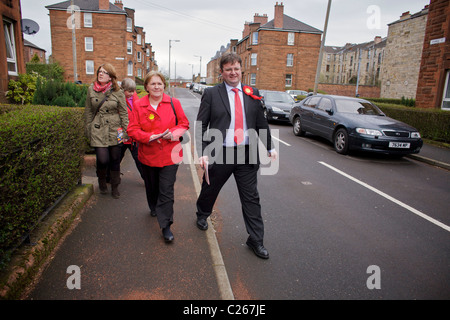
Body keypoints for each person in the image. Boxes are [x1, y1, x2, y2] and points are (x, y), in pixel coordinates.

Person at [195, 52, 277, 259]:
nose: (233, 73)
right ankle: (202, 214)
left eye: (236, 69)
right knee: (210, 188)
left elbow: (261, 123)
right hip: (220, 151)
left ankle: (256, 240)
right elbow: (201, 125)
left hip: (246, 154)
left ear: (242, 70)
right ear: (221, 72)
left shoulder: (252, 93)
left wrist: (270, 147)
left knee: (251, 198)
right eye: (228, 69)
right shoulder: (212, 93)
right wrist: (203, 152)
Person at [127, 71, 189, 243]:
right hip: (148, 154)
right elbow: (132, 129)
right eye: (152, 84)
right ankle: (153, 205)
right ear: (146, 87)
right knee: (152, 186)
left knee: (166, 190)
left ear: (164, 86)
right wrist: (147, 137)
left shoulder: (174, 103)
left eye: (159, 83)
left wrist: (175, 133)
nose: (156, 87)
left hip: (171, 154)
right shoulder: (139, 105)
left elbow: (184, 123)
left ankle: (166, 225)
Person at [84, 63, 129, 199]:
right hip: (98, 128)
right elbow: (89, 112)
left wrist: (125, 132)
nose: (101, 74)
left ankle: (115, 186)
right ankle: (102, 181)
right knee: (103, 159)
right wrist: (88, 129)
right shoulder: (91, 89)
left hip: (116, 130)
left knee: (115, 159)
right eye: (100, 71)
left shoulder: (118, 92)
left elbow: (124, 113)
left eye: (105, 72)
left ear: (111, 77)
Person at [120, 78, 144, 180]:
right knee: (117, 158)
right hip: (122, 135)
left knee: (139, 159)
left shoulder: (136, 100)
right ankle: (110, 177)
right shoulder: (119, 100)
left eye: (133, 91)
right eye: (128, 91)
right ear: (123, 89)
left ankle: (147, 180)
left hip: (133, 136)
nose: (131, 93)